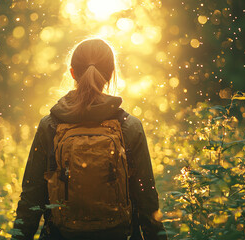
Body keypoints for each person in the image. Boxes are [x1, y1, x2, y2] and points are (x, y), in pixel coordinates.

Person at [12, 39, 167, 240]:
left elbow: (31, 199)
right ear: (110, 74)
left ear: (72, 72)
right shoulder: (129, 126)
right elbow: (147, 201)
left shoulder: (50, 126)